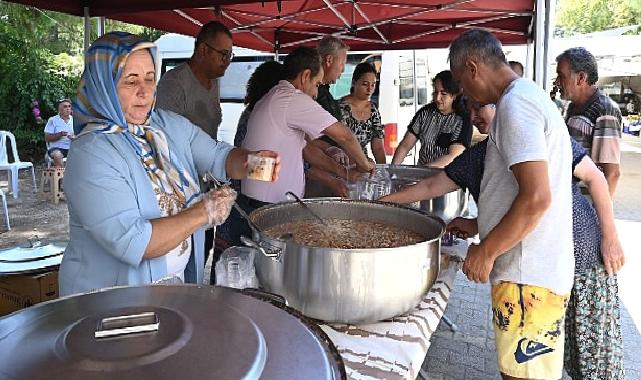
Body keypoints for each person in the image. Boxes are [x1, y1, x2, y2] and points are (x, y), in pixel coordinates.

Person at [380, 100, 626, 380]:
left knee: (590, 360)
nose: (474, 118)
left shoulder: (538, 135)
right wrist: (382, 205)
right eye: (469, 112)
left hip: (578, 259)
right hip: (539, 271)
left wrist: (610, 237)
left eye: (480, 108)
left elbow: (594, 179)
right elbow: (431, 186)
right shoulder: (481, 155)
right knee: (546, 360)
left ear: (503, 106)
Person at [59, 32, 280, 296]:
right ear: (104, 85)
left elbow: (217, 156)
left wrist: (255, 164)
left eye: (150, 79)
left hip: (167, 295)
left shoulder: (165, 125)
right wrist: (204, 212)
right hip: (110, 306)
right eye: (131, 81)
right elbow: (136, 242)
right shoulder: (91, 153)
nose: (144, 91)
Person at [448, 29, 574, 380]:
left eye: (461, 82)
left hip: (526, 275)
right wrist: (479, 224)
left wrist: (486, 250)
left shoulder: (516, 105)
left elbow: (536, 198)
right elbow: (520, 191)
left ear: (473, 68)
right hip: (535, 271)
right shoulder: (527, 96)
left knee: (522, 375)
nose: (465, 94)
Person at [241, 46, 373, 205]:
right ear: (305, 76)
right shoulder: (291, 98)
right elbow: (344, 136)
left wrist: (344, 173)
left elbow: (306, 150)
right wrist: (365, 165)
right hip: (268, 202)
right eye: (317, 84)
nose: (316, 94)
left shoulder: (274, 96)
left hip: (260, 198)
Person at [555, 47, 622, 196]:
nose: (557, 82)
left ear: (580, 78)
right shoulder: (571, 107)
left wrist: (598, 216)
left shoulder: (605, 110)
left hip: (586, 208)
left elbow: (612, 174)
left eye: (561, 76)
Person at [156, 21, 232, 140]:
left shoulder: (213, 82)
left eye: (229, 56)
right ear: (203, 50)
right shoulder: (174, 83)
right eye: (223, 54)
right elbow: (165, 139)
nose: (227, 61)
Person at [391, 70, 471, 167]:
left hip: (447, 178)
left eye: (443, 93)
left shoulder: (461, 120)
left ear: (454, 96)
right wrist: (393, 170)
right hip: (422, 175)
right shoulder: (424, 114)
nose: (437, 98)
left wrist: (424, 171)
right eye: (435, 92)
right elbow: (405, 146)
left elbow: (453, 156)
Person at [339, 62, 386, 164]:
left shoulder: (373, 110)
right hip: (340, 164)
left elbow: (378, 147)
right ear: (354, 82)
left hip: (363, 166)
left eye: (373, 85)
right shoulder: (340, 107)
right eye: (365, 84)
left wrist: (384, 171)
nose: (369, 89)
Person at [44, 99, 74, 168]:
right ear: (60, 109)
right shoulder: (53, 120)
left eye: (69, 106)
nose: (68, 108)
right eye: (65, 107)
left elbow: (79, 135)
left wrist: (74, 137)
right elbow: (47, 138)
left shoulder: (74, 120)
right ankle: (62, 177)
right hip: (56, 148)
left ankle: (78, 176)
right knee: (57, 155)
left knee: (85, 152)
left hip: (71, 148)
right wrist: (60, 134)